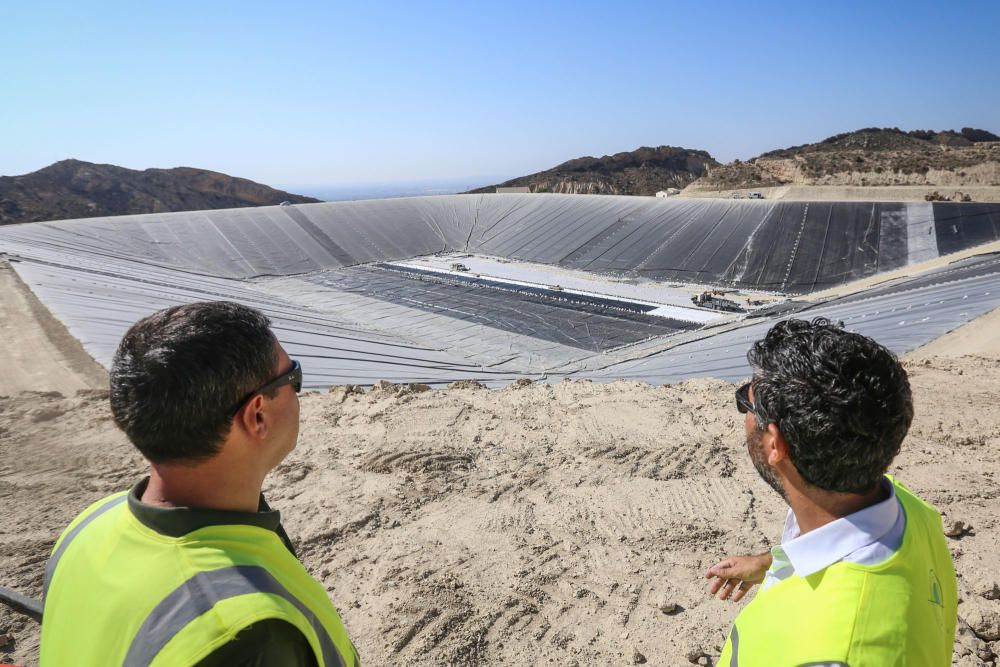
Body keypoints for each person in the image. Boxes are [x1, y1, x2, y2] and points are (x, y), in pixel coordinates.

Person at [40, 301, 360, 667]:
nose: (298, 392)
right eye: (293, 379)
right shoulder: (252, 635)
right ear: (257, 414)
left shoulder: (90, 524)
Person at [705, 318, 957, 666]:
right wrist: (772, 563)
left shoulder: (835, 655)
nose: (744, 416)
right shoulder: (908, 511)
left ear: (775, 443)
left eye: (745, 404)